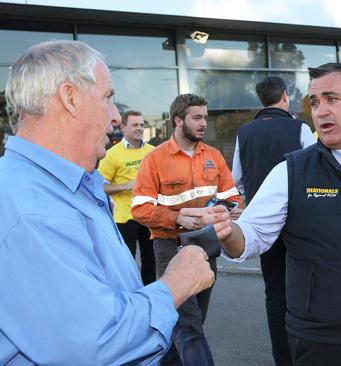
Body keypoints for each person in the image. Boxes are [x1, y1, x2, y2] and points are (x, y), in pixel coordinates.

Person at [190, 62, 341, 366]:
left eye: (332, 99)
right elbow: (251, 236)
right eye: (315, 102)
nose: (320, 111)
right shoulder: (291, 171)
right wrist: (229, 232)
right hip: (322, 342)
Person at [0, 40, 214, 364]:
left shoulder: (64, 184)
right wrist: (177, 283)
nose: (116, 116)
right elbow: (95, 344)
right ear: (70, 98)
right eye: (108, 97)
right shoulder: (32, 208)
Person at [132, 93, 243, 365]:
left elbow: (233, 199)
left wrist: (222, 210)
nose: (204, 123)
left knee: (191, 323)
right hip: (169, 246)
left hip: (207, 246)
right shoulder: (154, 159)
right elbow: (139, 208)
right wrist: (177, 218)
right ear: (178, 121)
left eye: (205, 117)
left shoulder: (214, 156)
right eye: (197, 117)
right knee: (189, 325)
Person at [231, 76, 315, 366]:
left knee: (275, 291)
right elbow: (316, 169)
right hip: (300, 222)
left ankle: (283, 358)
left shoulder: (244, 132)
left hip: (261, 226)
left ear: (261, 100)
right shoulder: (300, 128)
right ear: (284, 97)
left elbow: (237, 181)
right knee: (307, 288)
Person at [98, 109, 156, 284]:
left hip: (150, 216)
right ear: (124, 127)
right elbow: (99, 187)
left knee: (150, 263)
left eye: (141, 124)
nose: (139, 128)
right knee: (126, 263)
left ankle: (149, 299)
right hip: (125, 219)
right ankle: (129, 301)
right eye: (135, 125)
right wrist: (127, 186)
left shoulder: (153, 151)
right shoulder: (112, 154)